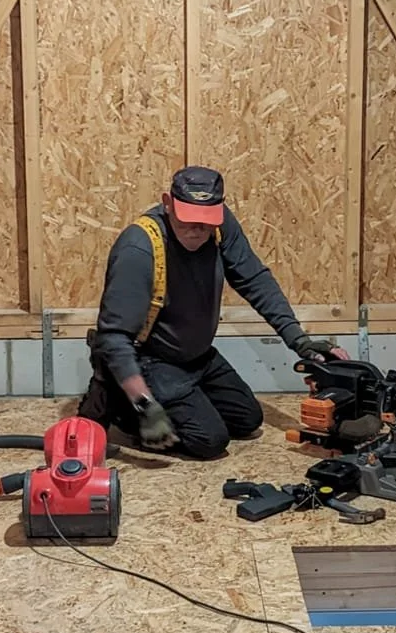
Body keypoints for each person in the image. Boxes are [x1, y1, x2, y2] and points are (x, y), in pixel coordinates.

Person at [80, 166, 346, 459]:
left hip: (198, 358)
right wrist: (145, 405)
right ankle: (123, 405)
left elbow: (254, 279)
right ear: (167, 203)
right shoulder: (139, 247)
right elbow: (114, 337)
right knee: (209, 442)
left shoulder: (220, 226)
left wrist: (300, 342)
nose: (197, 230)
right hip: (153, 359)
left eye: (206, 222)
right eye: (188, 220)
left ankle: (175, 403)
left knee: (247, 421)